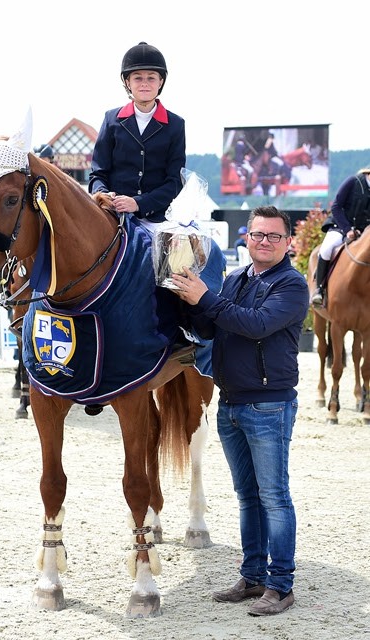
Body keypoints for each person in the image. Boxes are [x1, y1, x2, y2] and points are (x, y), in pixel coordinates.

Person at [171, 205, 309, 617]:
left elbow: (255, 324)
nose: (264, 241)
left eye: (273, 236)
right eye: (257, 235)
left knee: (274, 498)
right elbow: (213, 326)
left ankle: (281, 585)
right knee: (247, 497)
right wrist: (188, 296)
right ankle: (252, 576)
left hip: (269, 404)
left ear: (288, 243)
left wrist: (206, 298)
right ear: (245, 238)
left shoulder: (293, 285)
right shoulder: (235, 279)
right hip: (229, 400)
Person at [89, 41, 185, 227]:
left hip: (154, 218)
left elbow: (174, 182)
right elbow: (98, 173)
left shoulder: (175, 125)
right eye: (138, 78)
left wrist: (138, 203)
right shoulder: (111, 119)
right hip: (112, 215)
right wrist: (104, 194)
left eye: (151, 78)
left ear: (161, 82)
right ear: (127, 82)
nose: (144, 84)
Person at [311, 167, 370, 306]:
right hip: (340, 227)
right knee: (326, 249)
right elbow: (336, 207)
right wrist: (347, 229)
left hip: (363, 233)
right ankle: (319, 290)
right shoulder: (353, 182)